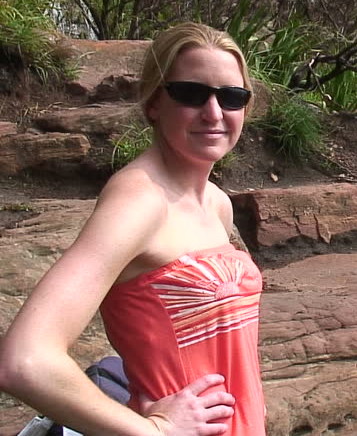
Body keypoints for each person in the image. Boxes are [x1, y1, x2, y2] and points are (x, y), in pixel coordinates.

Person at [0, 22, 265, 436]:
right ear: (155, 102)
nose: (214, 112)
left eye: (232, 97)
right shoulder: (139, 202)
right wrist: (156, 431)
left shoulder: (217, 203)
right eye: (191, 94)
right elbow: (25, 361)